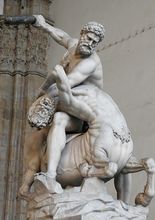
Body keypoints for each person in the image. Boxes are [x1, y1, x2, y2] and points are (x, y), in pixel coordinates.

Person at [31, 16, 105, 193]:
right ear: (82, 35)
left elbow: (64, 85)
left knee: (59, 118)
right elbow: (62, 36)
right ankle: (49, 174)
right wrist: (44, 26)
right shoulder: (73, 46)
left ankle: (50, 174)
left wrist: (42, 97)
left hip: (87, 111)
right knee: (55, 121)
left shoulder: (89, 63)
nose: (90, 43)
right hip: (72, 102)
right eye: (88, 38)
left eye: (95, 42)